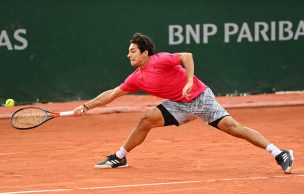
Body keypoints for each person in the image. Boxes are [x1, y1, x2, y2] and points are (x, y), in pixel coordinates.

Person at [73, 32, 294, 173]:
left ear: (145, 53)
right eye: (128, 51)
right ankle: (119, 158)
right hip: (179, 105)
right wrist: (86, 106)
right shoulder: (136, 77)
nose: (128, 55)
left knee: (234, 128)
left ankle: (279, 153)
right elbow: (112, 93)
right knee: (146, 119)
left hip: (200, 98)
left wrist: (189, 81)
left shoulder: (160, 60)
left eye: (132, 51)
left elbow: (186, 55)